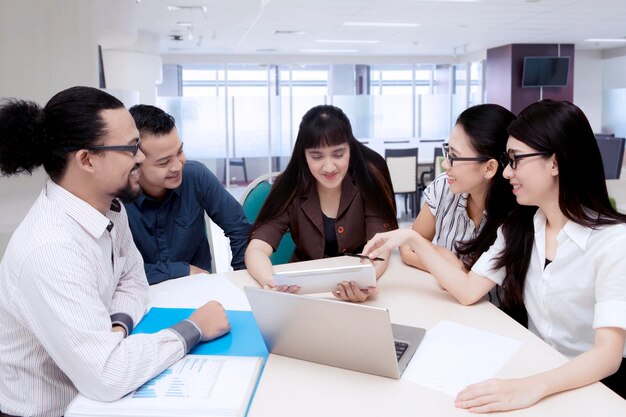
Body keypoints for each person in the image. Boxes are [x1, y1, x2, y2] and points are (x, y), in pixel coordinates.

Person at [363, 100, 626, 410]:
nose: (507, 172)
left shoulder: (613, 242)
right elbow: (467, 290)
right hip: (533, 369)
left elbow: (608, 356)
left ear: (554, 163)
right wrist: (411, 238)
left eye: (515, 160)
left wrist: (533, 386)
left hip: (590, 387)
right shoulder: (523, 225)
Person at [0, 86, 231, 417]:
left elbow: (133, 282)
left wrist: (117, 327)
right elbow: (107, 376)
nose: (140, 157)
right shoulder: (50, 250)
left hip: (93, 399)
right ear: (87, 159)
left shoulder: (111, 207)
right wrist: (194, 327)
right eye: (131, 147)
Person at [245, 104, 398, 302]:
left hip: (357, 286)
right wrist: (271, 283)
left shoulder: (368, 179)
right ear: (304, 155)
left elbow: (380, 248)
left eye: (338, 154)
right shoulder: (291, 186)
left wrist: (365, 281)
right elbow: (256, 249)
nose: (329, 167)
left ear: (350, 150)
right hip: (303, 295)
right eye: (316, 156)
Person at [125, 104, 251, 284]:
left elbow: (239, 228)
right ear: (135, 162)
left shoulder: (195, 176)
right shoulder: (117, 197)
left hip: (197, 288)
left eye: (179, 152)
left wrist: (241, 280)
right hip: (141, 294)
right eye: (163, 162)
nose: (177, 166)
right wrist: (182, 270)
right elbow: (117, 271)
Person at [400, 104, 516, 278]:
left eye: (454, 156)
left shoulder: (514, 216)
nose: (445, 164)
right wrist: (451, 264)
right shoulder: (444, 188)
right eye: (448, 152)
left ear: (489, 168)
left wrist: (439, 257)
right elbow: (409, 245)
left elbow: (472, 284)